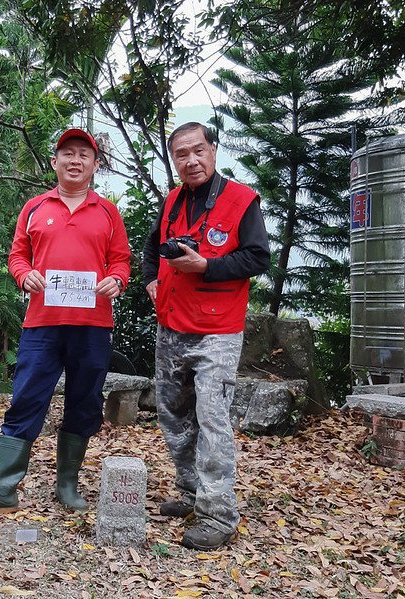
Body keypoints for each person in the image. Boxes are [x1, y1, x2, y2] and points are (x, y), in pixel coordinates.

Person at [0, 128, 131, 514]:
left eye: (84, 154)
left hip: (93, 325)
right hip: (42, 324)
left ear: (95, 165)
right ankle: (3, 487)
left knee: (84, 403)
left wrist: (116, 280)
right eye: (67, 153)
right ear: (54, 162)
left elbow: (121, 261)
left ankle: (67, 484)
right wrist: (23, 274)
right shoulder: (35, 207)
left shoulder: (107, 212)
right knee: (26, 399)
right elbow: (18, 255)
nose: (75, 160)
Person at [141, 122, 270, 549]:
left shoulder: (241, 200)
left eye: (199, 150)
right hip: (171, 323)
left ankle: (218, 514)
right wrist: (149, 281)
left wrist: (207, 267)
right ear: (174, 160)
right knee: (173, 412)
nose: (191, 160)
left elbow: (257, 257)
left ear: (213, 151)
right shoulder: (174, 200)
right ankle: (191, 489)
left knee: (213, 419)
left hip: (216, 329)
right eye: (182, 154)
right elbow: (150, 247)